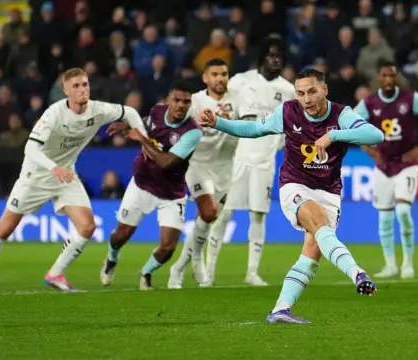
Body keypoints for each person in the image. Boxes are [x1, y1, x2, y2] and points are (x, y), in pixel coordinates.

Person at [197, 68, 384, 324]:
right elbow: (253, 129)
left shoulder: (342, 115)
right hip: (295, 185)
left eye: (311, 92)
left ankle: (280, 309)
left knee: (312, 251)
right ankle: (358, 274)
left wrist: (334, 135)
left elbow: (376, 135)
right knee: (319, 224)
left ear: (324, 90)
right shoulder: (288, 112)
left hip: (329, 191)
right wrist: (219, 122)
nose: (306, 99)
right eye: (300, 93)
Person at [0, 68, 147, 292]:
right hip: (36, 175)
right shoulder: (53, 114)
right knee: (5, 229)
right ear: (66, 91)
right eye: (76, 86)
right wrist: (53, 168)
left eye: (85, 84)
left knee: (87, 226)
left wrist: (144, 140)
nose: (82, 89)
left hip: (65, 175)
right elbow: (31, 148)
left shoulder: (98, 109)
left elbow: (130, 112)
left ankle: (55, 274)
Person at [204, 37, 295, 286]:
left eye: (279, 56)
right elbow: (223, 105)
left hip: (265, 161)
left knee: (258, 215)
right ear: (262, 57)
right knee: (224, 213)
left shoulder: (288, 90)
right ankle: (208, 270)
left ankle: (252, 272)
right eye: (271, 55)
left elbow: (292, 126)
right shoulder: (241, 81)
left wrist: (280, 144)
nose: (275, 60)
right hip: (239, 157)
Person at [99, 80, 202, 290]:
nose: (181, 105)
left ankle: (146, 272)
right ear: (168, 101)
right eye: (177, 100)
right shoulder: (156, 112)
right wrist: (127, 127)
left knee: (168, 247)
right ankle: (111, 259)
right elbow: (144, 126)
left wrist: (141, 140)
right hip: (142, 184)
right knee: (121, 235)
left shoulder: (192, 132)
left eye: (186, 101)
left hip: (172, 193)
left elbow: (166, 162)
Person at [354, 60, 418, 279]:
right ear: (378, 78)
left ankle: (408, 264)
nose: (388, 80)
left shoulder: (410, 99)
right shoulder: (369, 103)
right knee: (384, 218)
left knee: (403, 212)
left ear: (397, 77)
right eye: (384, 76)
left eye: (392, 76)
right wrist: (367, 148)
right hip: (383, 165)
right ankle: (390, 265)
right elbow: (352, 123)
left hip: (406, 164)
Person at [168, 58, 241, 289]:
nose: (220, 78)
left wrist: (231, 124)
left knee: (207, 219)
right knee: (208, 212)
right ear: (205, 78)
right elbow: (173, 120)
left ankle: (179, 267)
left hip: (226, 168)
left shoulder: (238, 99)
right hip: (198, 164)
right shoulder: (196, 101)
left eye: (224, 74)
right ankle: (197, 258)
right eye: (215, 74)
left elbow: (250, 128)